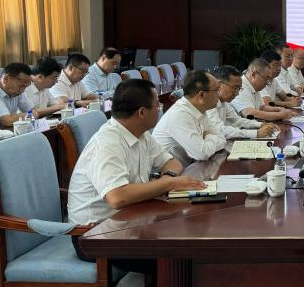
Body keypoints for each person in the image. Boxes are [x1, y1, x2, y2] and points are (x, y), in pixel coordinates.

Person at [67, 79, 205, 262]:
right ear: (141, 112)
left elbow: (172, 162)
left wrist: (167, 178)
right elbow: (117, 197)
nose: (159, 109)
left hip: (129, 220)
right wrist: (168, 183)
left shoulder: (141, 134)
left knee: (188, 235)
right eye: (157, 105)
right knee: (180, 256)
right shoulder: (108, 143)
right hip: (95, 235)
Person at [152, 70, 228, 163]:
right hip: (170, 171)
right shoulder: (179, 115)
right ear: (201, 95)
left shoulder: (200, 109)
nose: (219, 94)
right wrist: (210, 136)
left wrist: (208, 137)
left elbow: (222, 139)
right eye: (216, 90)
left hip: (190, 166)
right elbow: (202, 153)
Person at [209, 65, 281, 141]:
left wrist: (261, 125)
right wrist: (256, 133)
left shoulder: (224, 102)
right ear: (219, 85)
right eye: (235, 88)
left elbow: (237, 121)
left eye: (239, 89)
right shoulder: (208, 102)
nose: (237, 93)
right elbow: (219, 130)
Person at [232, 57, 297, 122]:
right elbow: (249, 113)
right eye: (266, 78)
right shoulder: (241, 86)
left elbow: (262, 107)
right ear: (253, 75)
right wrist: (280, 115)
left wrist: (280, 110)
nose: (268, 82)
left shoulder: (254, 86)